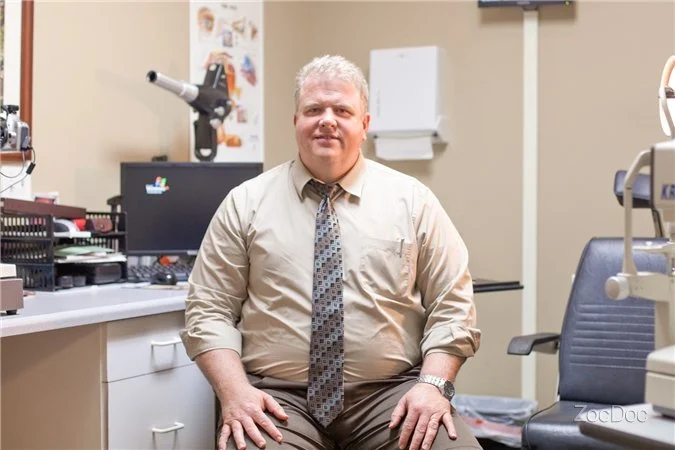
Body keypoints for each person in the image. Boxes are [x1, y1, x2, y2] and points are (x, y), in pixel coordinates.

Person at [180, 54, 482, 450]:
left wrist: (433, 386)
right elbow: (208, 309)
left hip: (391, 397)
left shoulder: (412, 201)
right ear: (295, 122)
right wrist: (234, 392)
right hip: (277, 399)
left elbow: (453, 305)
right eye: (313, 109)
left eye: (342, 109)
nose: (327, 120)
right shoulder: (245, 203)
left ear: (364, 125)